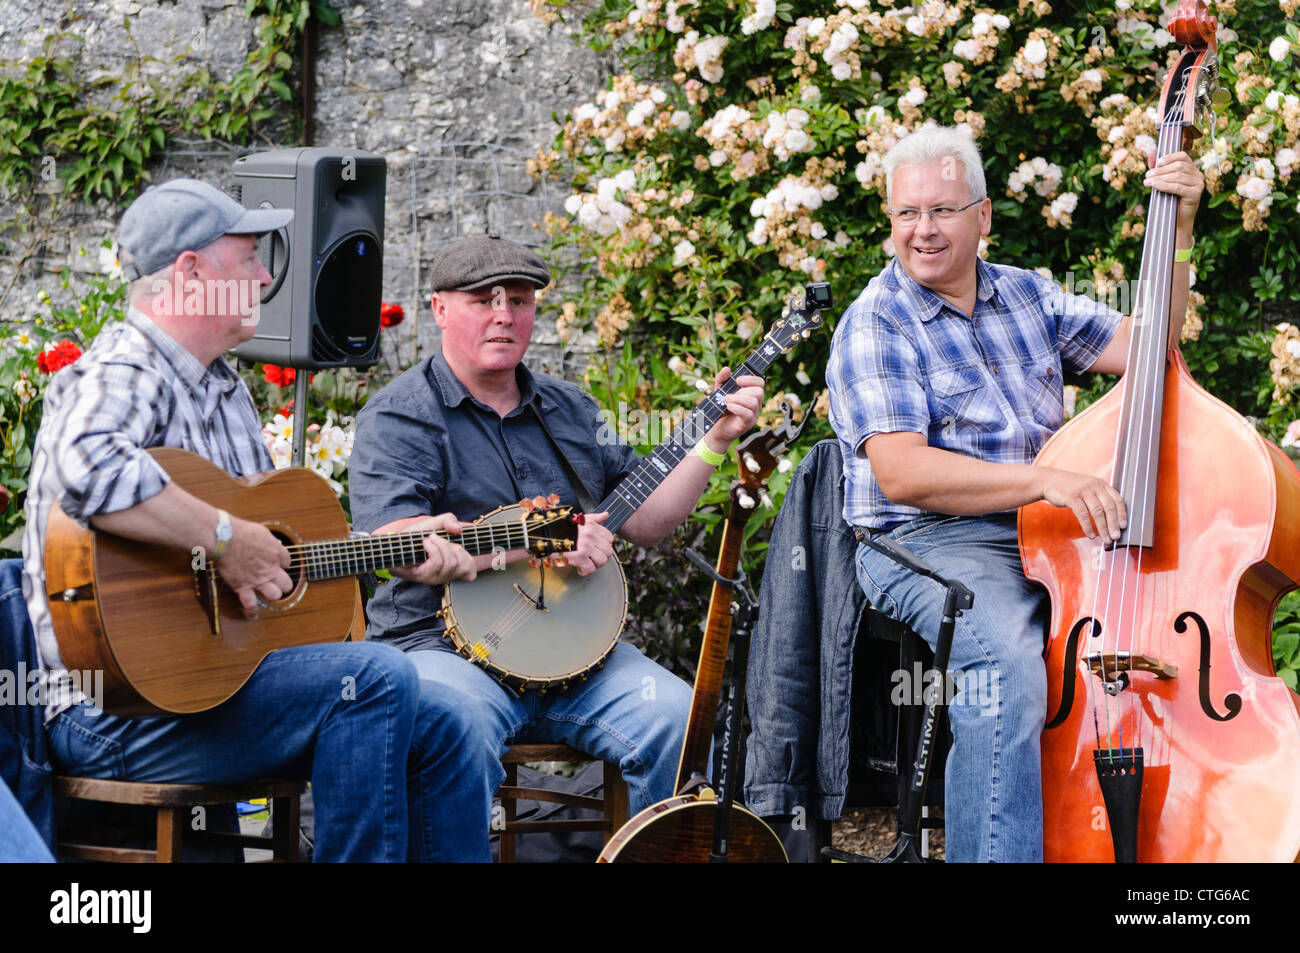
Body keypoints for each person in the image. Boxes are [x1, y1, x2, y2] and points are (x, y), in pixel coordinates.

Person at [21, 179, 491, 861]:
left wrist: (381, 549)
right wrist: (221, 536)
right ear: (190, 273)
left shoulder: (224, 388)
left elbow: (270, 555)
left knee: (446, 719)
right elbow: (86, 465)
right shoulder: (126, 367)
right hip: (116, 713)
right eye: (247, 259)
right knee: (375, 677)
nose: (267, 276)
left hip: (214, 690)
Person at [826, 125, 1203, 862]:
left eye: (941, 210)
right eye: (906, 214)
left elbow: (1153, 345)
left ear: (984, 217)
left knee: (1148, 635)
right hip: (923, 537)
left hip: (1039, 528)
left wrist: (1181, 228)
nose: (922, 230)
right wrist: (1046, 480)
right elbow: (903, 472)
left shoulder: (1024, 294)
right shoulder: (877, 320)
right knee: (1004, 668)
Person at [348, 234, 764, 820]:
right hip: (441, 651)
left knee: (677, 717)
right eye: (483, 300)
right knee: (453, 727)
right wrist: (539, 537)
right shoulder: (399, 417)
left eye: (519, 300)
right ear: (439, 308)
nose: (504, 315)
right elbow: (399, 545)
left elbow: (646, 522)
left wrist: (714, 442)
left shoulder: (570, 409)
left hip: (573, 654)